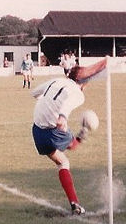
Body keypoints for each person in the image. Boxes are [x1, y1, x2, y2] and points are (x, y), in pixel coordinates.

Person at [30, 65, 98, 215]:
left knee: (63, 162)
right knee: (73, 145)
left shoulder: (56, 81)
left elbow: (34, 93)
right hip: (52, 130)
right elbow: (67, 105)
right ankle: (84, 132)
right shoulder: (78, 94)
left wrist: (47, 103)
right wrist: (62, 116)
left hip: (37, 131)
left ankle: (75, 205)